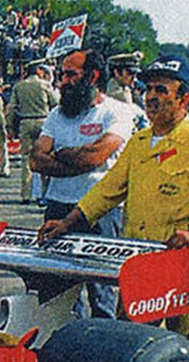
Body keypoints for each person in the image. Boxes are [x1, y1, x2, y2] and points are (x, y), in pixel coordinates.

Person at [38, 59, 189, 362]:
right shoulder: (139, 143)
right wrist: (68, 222)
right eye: (148, 88)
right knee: (132, 347)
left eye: (162, 90)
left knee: (186, 351)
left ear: (184, 99)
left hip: (183, 264)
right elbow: (106, 190)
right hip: (141, 262)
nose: (151, 96)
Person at [25, 49, 140, 317]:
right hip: (57, 208)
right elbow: (36, 160)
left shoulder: (117, 112)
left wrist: (62, 154)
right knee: (60, 294)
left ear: (93, 76)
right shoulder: (56, 114)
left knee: (102, 292)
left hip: (101, 212)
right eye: (62, 74)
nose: (62, 81)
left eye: (70, 74)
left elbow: (95, 156)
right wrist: (76, 160)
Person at [10, 57, 56, 203]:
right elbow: (55, 103)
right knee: (44, 157)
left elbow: (11, 108)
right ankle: (43, 193)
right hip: (44, 121)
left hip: (26, 122)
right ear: (38, 71)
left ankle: (26, 194)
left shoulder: (19, 86)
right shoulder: (45, 85)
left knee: (26, 159)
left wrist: (10, 127)